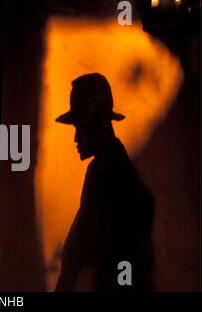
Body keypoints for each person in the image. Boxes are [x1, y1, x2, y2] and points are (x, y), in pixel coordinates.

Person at [55, 73, 154, 291]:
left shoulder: (105, 169)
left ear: (92, 123)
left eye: (78, 126)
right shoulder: (115, 161)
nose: (75, 138)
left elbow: (77, 247)